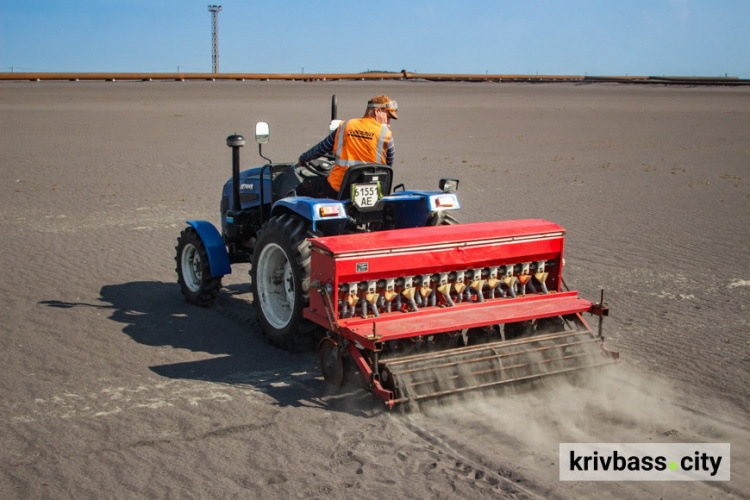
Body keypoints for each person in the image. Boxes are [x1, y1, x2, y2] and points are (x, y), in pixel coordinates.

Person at [296, 95, 397, 199]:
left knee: (303, 187)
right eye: (388, 117)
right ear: (377, 111)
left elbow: (321, 148)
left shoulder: (345, 126)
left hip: (338, 189)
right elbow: (388, 167)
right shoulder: (386, 135)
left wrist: (303, 159)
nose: (388, 122)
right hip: (373, 192)